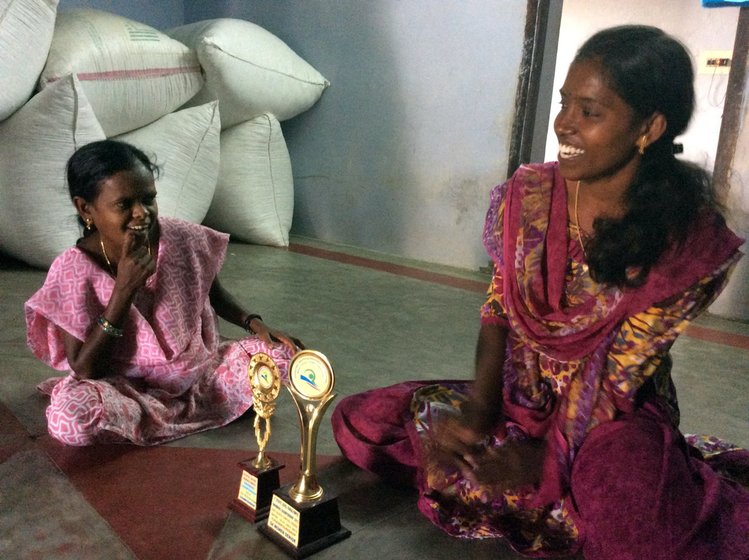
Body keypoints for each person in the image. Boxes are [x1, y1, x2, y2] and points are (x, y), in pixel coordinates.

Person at [332, 25, 749, 559]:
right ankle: (543, 488)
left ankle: (580, 489)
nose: (563, 124)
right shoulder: (530, 195)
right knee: (362, 420)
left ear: (649, 127)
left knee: (632, 518)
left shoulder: (686, 237)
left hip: (612, 421)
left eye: (590, 112)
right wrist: (481, 410)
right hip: (520, 400)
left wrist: (545, 464)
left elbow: (618, 378)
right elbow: (498, 307)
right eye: (563, 103)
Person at [26, 139, 302, 446]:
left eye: (148, 199)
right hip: (125, 387)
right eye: (124, 205)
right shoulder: (73, 268)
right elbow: (86, 368)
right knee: (71, 421)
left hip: (199, 373)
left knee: (287, 357)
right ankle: (193, 411)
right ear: (85, 208)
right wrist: (124, 290)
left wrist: (256, 325)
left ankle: (174, 413)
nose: (141, 213)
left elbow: (214, 292)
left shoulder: (183, 237)